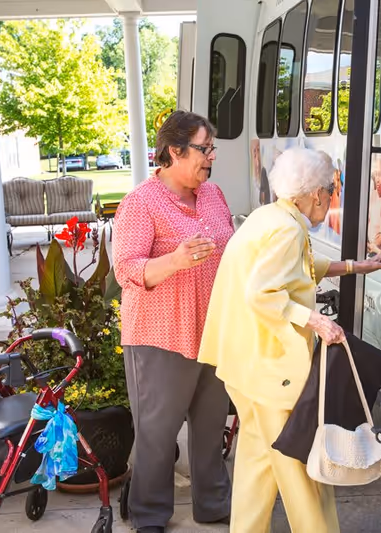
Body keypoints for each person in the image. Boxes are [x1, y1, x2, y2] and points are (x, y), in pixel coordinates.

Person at [198, 147, 381, 533]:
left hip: (246, 368)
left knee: (257, 468)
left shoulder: (269, 217)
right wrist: (317, 321)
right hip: (273, 370)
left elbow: (297, 269)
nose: (331, 198)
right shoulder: (287, 230)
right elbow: (262, 293)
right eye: (330, 190)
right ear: (313, 194)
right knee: (302, 472)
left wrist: (359, 266)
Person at [113, 111, 233, 533]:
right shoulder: (141, 202)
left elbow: (232, 253)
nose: (210, 157)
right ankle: (149, 515)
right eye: (204, 149)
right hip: (160, 334)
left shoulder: (214, 195)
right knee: (157, 433)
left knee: (210, 425)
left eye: (211, 149)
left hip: (213, 331)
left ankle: (214, 504)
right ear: (174, 151)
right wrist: (176, 260)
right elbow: (126, 269)